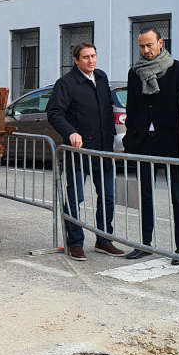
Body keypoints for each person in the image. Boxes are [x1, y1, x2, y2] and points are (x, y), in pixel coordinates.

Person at [46, 42, 126, 260]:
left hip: (103, 151)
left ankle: (104, 239)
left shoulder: (101, 77)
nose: (91, 60)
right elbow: (54, 112)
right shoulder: (66, 83)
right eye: (85, 57)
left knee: (108, 197)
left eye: (93, 56)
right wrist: (71, 132)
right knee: (75, 197)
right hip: (78, 152)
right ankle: (75, 242)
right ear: (76, 60)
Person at [123, 28, 179, 263]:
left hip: (171, 142)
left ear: (160, 43)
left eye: (150, 45)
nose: (146, 50)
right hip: (145, 142)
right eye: (141, 46)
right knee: (145, 195)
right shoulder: (135, 73)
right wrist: (130, 137)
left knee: (178, 196)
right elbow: (131, 107)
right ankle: (145, 243)